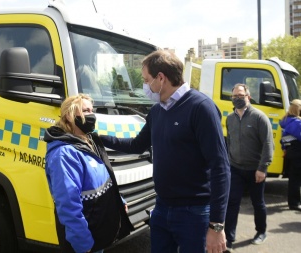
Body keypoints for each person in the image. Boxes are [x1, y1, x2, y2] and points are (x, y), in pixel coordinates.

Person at [100, 50, 231, 253]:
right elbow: (136, 145)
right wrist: (96, 136)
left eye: (146, 80)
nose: (144, 86)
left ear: (161, 78)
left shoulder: (201, 107)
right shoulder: (157, 111)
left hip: (194, 213)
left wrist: (216, 226)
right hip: (161, 208)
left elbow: (220, 168)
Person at [44, 94, 134, 253]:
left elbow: (102, 178)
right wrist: (83, 244)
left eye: (92, 110)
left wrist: (118, 200)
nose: (91, 115)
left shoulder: (89, 140)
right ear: (70, 116)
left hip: (97, 235)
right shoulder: (64, 155)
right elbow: (68, 206)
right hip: (86, 243)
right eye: (86, 111)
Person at [224, 83, 274, 251]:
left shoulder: (259, 117)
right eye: (235, 96)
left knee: (258, 203)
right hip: (235, 169)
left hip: (255, 170)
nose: (238, 98)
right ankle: (229, 239)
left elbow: (268, 144)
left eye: (241, 95)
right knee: (232, 203)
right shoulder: (230, 118)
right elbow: (229, 142)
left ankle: (261, 232)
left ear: (248, 96)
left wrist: (263, 168)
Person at [280, 99, 301, 211]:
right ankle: (294, 203)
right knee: (296, 180)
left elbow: (284, 140)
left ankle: (293, 202)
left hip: (291, 152)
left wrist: (285, 148)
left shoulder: (286, 120)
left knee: (294, 179)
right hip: (298, 153)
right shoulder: (297, 123)